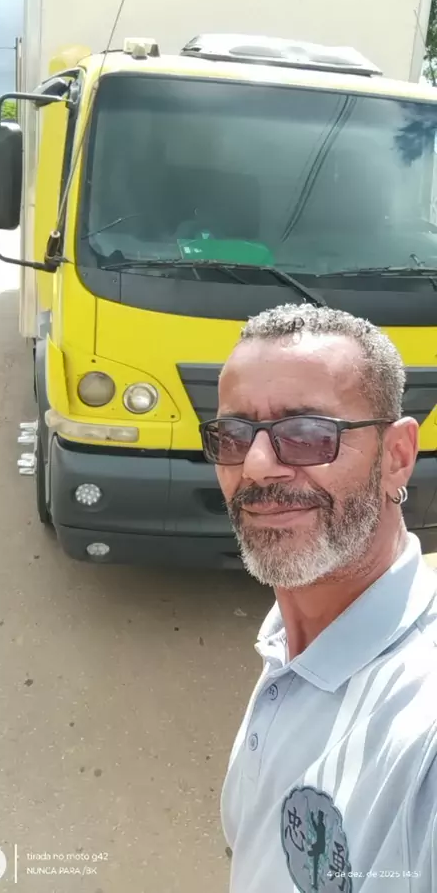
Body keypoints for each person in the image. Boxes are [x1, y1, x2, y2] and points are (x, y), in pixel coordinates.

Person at [200, 303, 437, 893]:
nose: (257, 466)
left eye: (306, 435)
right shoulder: (291, 636)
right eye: (233, 436)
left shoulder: (422, 726)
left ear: (397, 457)